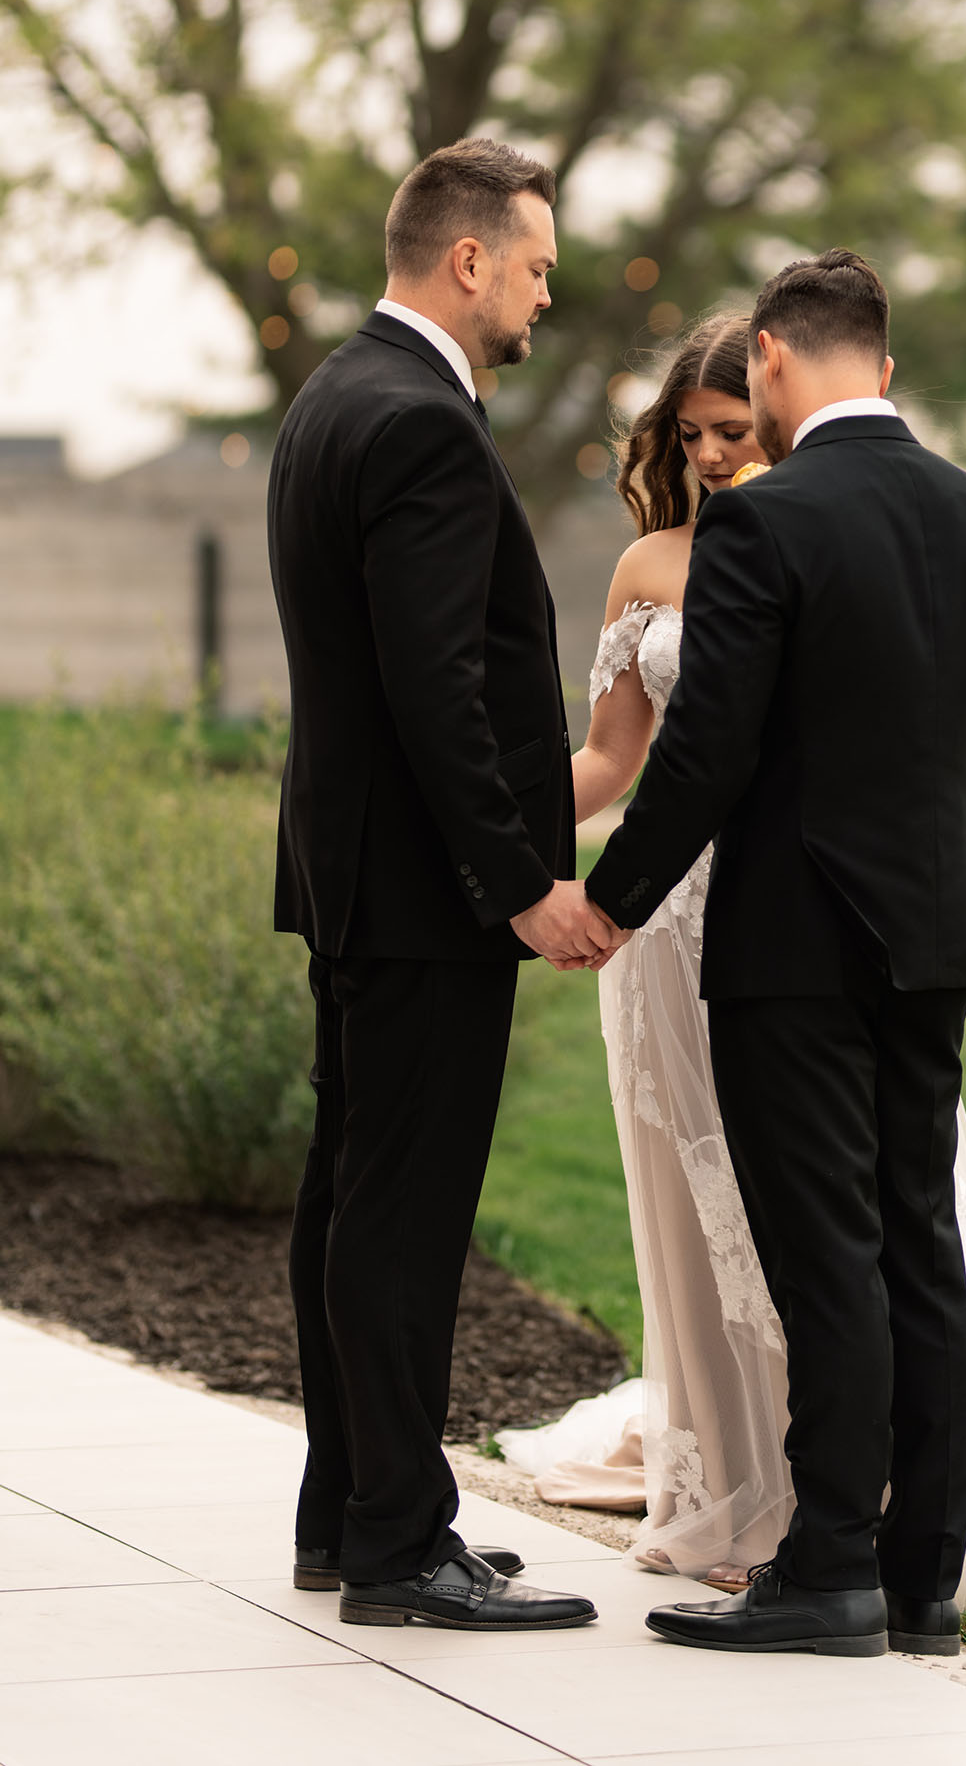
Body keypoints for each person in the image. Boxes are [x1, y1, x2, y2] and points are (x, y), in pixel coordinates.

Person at [545, 250, 966, 1660]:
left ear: (772, 360)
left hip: (785, 942)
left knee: (823, 1250)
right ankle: (924, 1586)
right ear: (883, 365)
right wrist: (926, 875)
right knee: (919, 1239)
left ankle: (830, 1567)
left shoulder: (769, 529)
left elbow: (704, 754)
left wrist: (614, 901)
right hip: (934, 933)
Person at [267, 137, 600, 1635]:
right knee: (402, 1213)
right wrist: (520, 878)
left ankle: (349, 1512)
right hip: (423, 893)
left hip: (354, 880)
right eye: (534, 264)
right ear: (467, 260)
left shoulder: (332, 399)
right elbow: (433, 688)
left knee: (351, 1195)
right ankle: (404, 1548)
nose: (546, 291)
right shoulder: (420, 424)